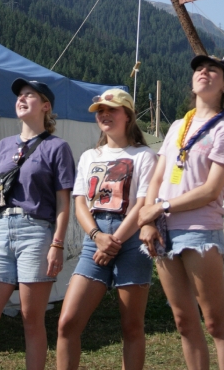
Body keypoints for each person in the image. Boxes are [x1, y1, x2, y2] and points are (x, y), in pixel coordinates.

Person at [138, 55, 224, 370]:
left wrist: (161, 207)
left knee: (214, 321)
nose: (204, 72)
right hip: (163, 230)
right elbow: (157, 178)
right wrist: (148, 220)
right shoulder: (177, 126)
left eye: (213, 70)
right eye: (199, 68)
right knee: (183, 320)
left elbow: (211, 190)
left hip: (200, 230)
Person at [0, 77, 75, 370]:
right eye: (19, 95)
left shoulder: (57, 147)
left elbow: (64, 203)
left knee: (31, 319)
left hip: (36, 233)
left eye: (30, 95)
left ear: (46, 106)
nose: (21, 99)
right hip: (0, 232)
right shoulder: (2, 146)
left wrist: (57, 244)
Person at [56, 89, 158, 370]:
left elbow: (142, 204)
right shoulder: (89, 156)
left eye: (111, 110)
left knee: (132, 326)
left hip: (132, 240)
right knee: (67, 323)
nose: (104, 115)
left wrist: (114, 242)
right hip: (95, 238)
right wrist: (97, 236)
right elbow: (80, 202)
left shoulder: (144, 156)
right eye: (100, 111)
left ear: (128, 115)